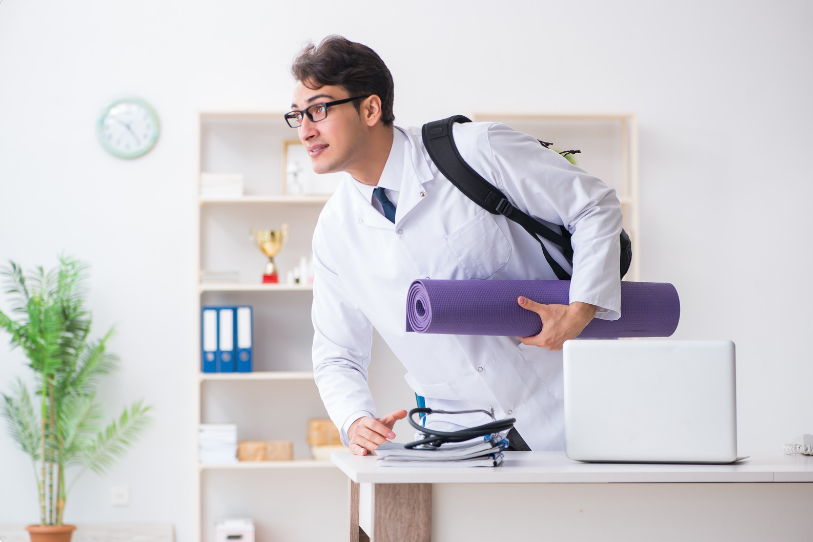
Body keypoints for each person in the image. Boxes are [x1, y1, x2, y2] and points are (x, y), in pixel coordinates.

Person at [289, 35, 622, 456]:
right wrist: (355, 419)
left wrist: (581, 309)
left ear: (370, 109)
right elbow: (336, 352)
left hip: (569, 405)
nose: (306, 130)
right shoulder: (334, 232)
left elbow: (594, 206)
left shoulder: (475, 150)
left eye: (319, 109)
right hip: (461, 436)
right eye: (297, 115)